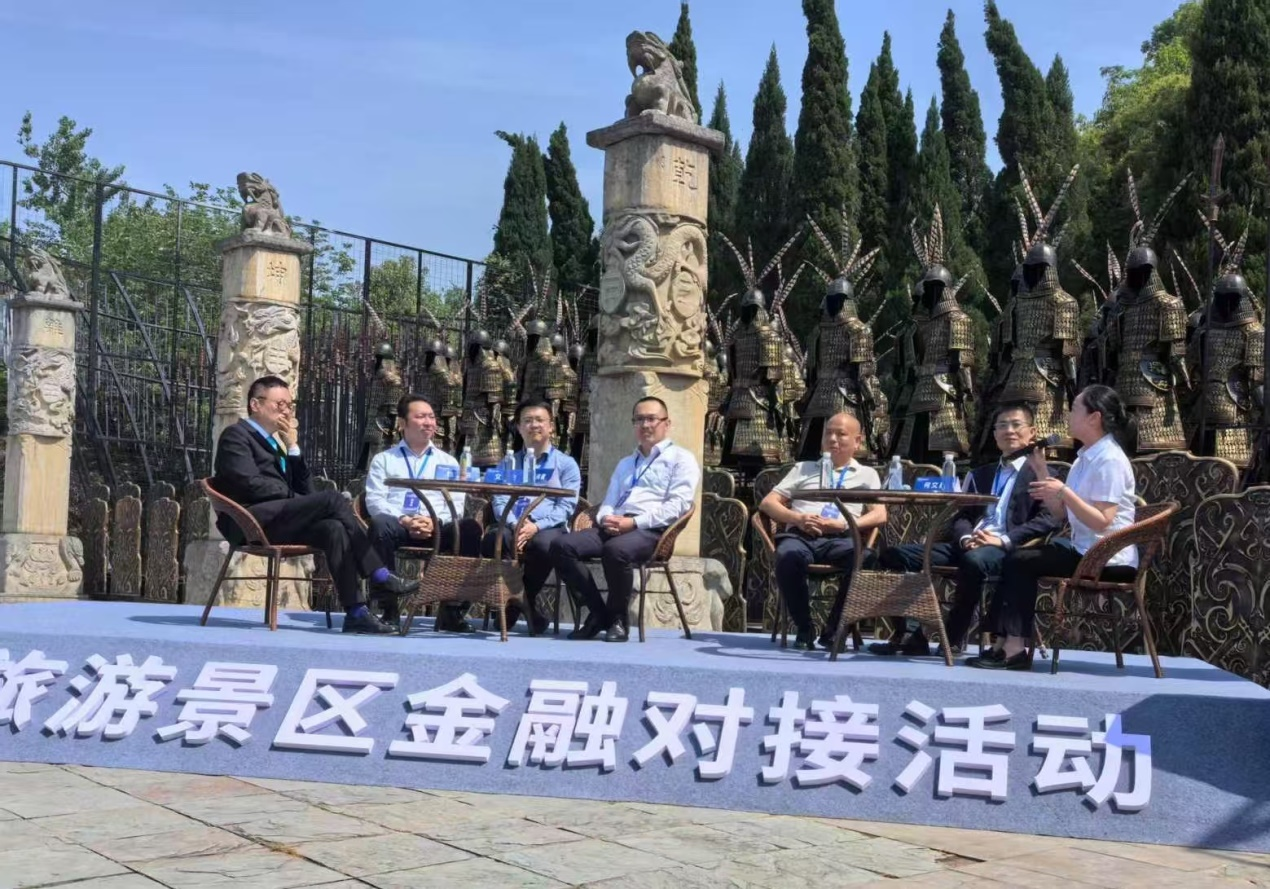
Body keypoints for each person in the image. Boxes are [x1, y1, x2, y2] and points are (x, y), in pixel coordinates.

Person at [212, 375, 416, 635]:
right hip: (250, 520)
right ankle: (379, 575)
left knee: (333, 528)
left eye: (289, 405)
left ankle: (356, 612)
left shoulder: (277, 443)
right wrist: (293, 497)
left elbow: (307, 490)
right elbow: (247, 483)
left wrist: (293, 447)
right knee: (333, 499)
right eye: (280, 404)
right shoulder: (236, 435)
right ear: (255, 404)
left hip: (279, 520)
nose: (286, 411)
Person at [968, 385, 1139, 670]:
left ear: (1094, 418)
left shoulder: (1110, 459)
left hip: (1106, 556)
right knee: (1016, 557)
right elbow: (1061, 514)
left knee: (1021, 561)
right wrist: (1041, 470)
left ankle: (1014, 649)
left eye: (1074, 410)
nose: (1068, 416)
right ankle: (1001, 643)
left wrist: (1064, 492)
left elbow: (1102, 520)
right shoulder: (1085, 457)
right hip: (1083, 547)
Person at [874, 404, 1060, 656]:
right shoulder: (981, 474)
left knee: (974, 561)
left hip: (1006, 547)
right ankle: (910, 634)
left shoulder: (1043, 475)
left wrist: (1002, 540)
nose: (1009, 431)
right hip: (968, 543)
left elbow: (1048, 520)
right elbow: (962, 516)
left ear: (1032, 432)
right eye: (1002, 426)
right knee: (893, 555)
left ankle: (953, 638)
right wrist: (964, 538)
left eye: (1016, 425)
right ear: (995, 435)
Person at [551, 396, 699, 643]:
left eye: (651, 419)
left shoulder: (681, 459)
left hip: (651, 530)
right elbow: (609, 500)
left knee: (616, 551)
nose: (645, 425)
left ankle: (618, 620)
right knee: (561, 545)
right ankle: (598, 613)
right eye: (639, 419)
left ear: (667, 423)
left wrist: (634, 523)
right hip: (615, 524)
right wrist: (605, 518)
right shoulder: (626, 463)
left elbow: (678, 506)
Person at [760, 412, 888, 651]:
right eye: (828, 433)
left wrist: (845, 524)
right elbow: (768, 503)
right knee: (787, 556)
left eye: (841, 434)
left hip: (840, 539)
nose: (832, 439)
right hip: (802, 536)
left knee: (865, 558)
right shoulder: (803, 468)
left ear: (857, 441)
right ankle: (804, 628)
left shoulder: (867, 474)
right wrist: (797, 518)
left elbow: (880, 515)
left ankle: (834, 632)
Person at [365, 394, 482, 632]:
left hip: (436, 527)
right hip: (400, 526)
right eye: (420, 417)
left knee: (469, 529)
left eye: (431, 417)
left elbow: (456, 505)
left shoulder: (449, 462)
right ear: (402, 423)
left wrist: (433, 522)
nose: (428, 422)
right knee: (379, 525)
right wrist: (405, 520)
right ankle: (388, 609)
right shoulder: (384, 460)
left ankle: (452, 610)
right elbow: (374, 500)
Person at [479, 399, 582, 634]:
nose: (533, 425)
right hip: (512, 523)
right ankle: (528, 608)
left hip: (549, 527)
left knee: (546, 545)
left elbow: (567, 505)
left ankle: (513, 606)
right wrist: (516, 524)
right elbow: (499, 500)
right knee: (493, 540)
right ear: (518, 427)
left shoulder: (566, 464)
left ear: (551, 426)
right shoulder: (508, 463)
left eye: (539, 420)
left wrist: (536, 526)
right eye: (527, 421)